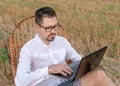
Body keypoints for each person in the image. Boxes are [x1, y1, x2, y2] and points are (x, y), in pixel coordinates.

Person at [15, 7, 116, 86]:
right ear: (37, 27)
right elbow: (20, 82)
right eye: (48, 28)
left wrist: (88, 64)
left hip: (68, 83)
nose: (53, 31)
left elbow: (78, 59)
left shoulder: (62, 42)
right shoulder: (28, 49)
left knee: (99, 74)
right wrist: (48, 69)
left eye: (55, 26)